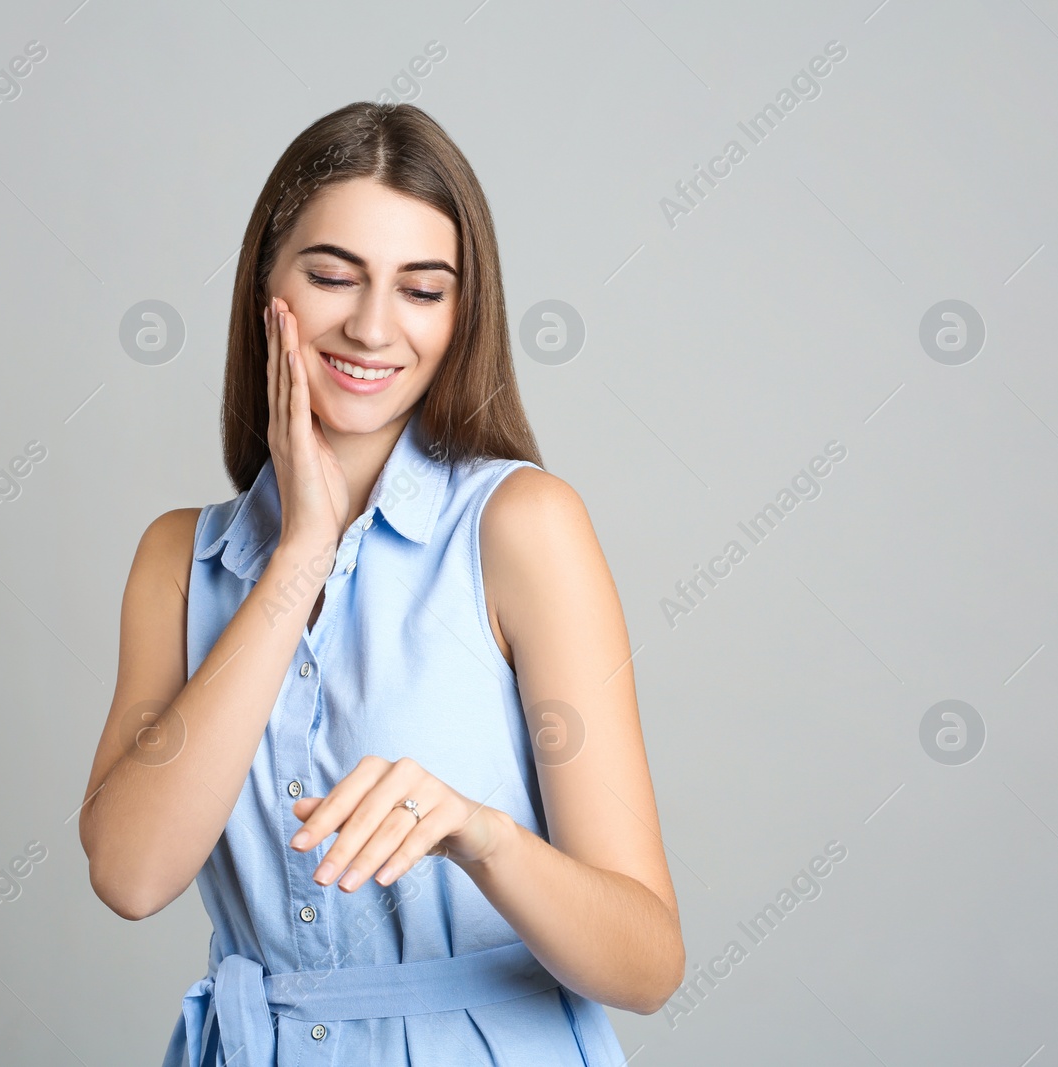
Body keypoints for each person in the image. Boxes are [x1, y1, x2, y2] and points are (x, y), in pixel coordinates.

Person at [80, 101, 684, 1066]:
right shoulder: (177, 560)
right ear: (263, 288)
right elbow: (131, 873)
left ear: (462, 313)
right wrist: (300, 555)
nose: (370, 327)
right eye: (331, 276)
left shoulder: (523, 528)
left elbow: (648, 964)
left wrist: (482, 835)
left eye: (421, 289)